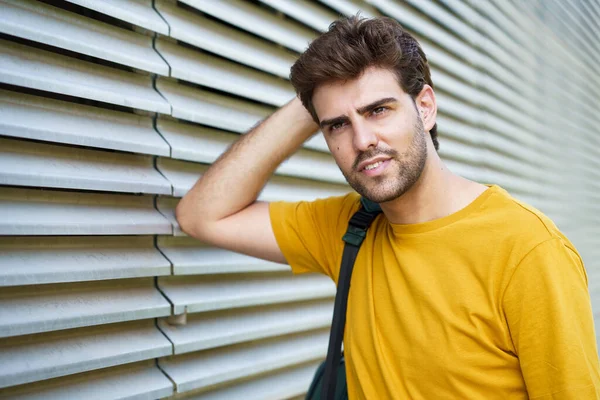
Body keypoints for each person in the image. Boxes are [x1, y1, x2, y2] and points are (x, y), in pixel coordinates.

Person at [175, 15, 600, 399]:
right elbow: (202, 215)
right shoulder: (348, 226)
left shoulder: (527, 250)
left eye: (378, 109)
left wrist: (335, 101)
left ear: (425, 106)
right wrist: (315, 102)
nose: (361, 141)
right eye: (338, 125)